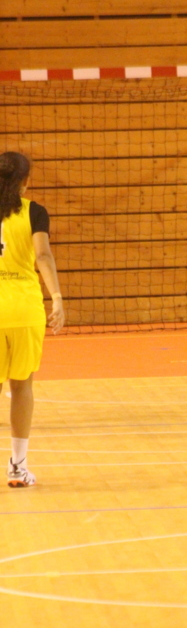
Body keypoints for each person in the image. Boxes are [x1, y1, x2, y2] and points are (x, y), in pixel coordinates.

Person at [0, 152, 65, 487]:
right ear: (25, 182)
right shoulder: (34, 212)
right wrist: (57, 297)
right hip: (23, 308)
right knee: (22, 386)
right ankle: (18, 466)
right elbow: (42, 255)